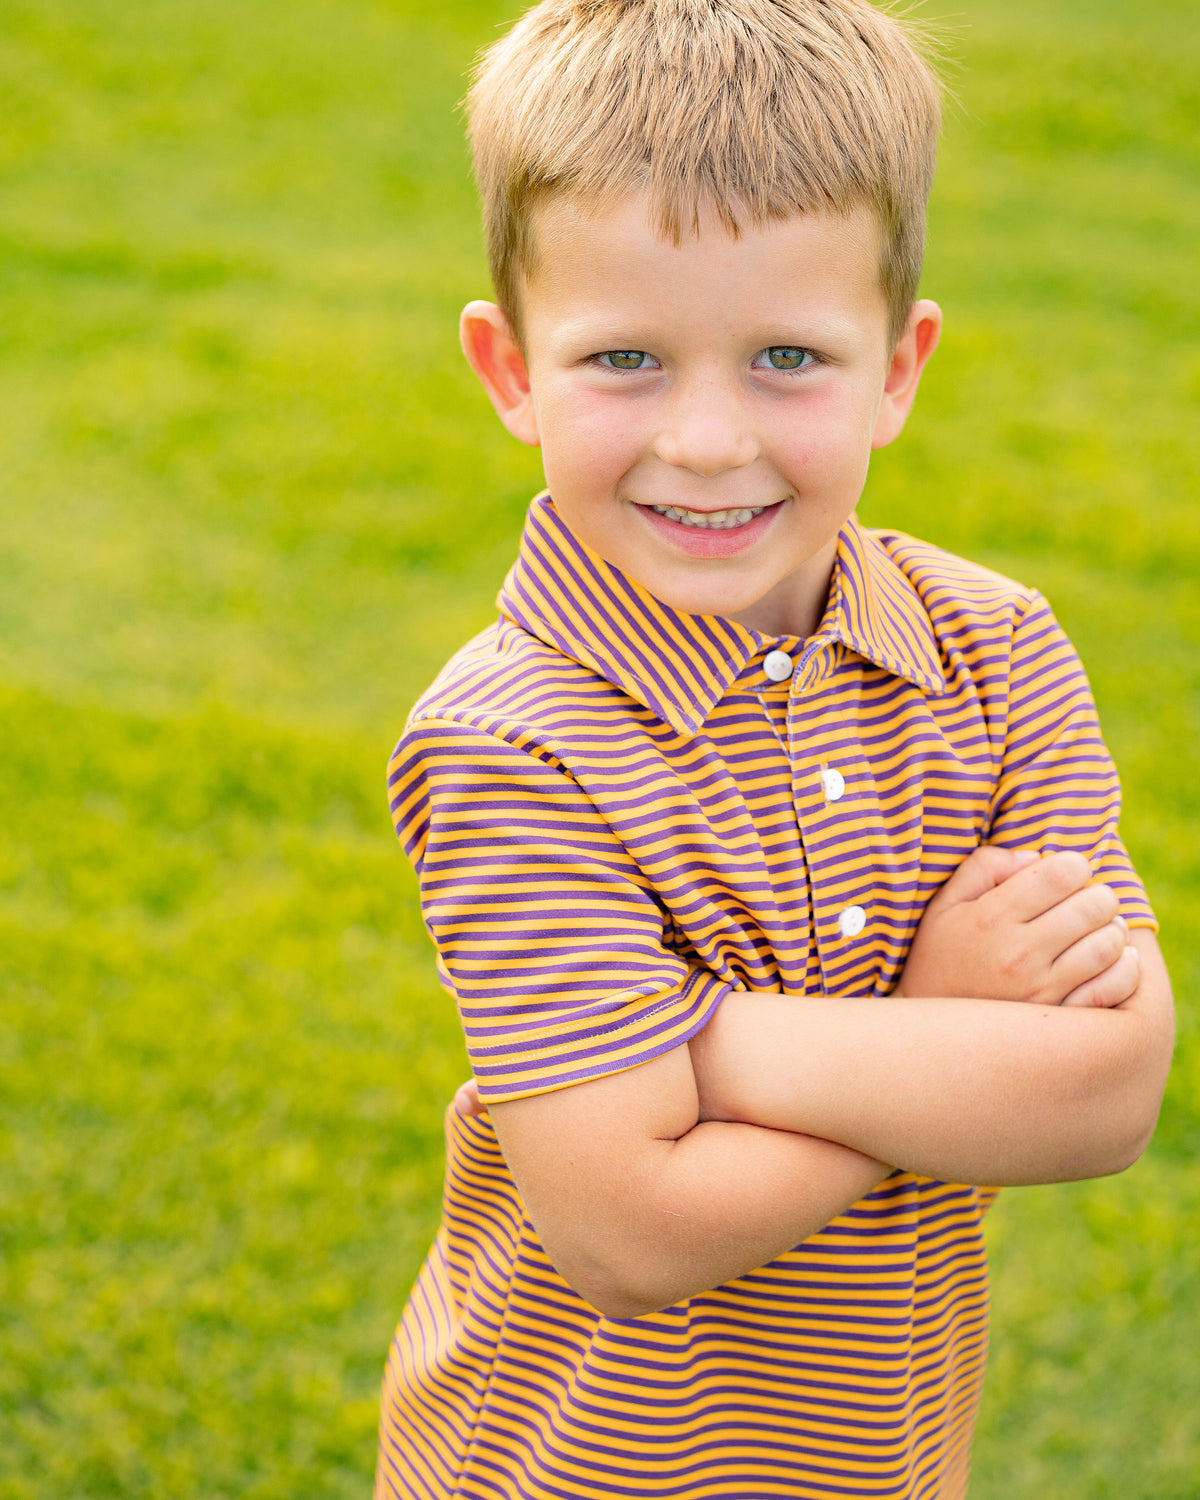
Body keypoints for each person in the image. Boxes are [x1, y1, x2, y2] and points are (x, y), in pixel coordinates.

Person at [377, 1, 1175, 1495]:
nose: (704, 437)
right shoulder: (509, 743)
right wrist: (943, 1013)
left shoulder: (991, 647)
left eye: (788, 357)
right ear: (508, 370)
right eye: (622, 358)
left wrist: (716, 1048)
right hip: (572, 1469)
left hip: (882, 1451)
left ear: (898, 365)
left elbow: (1110, 1090)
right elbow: (633, 1229)